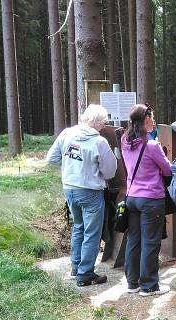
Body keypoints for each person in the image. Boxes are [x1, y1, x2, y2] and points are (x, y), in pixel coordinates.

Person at [47, 104, 118, 286]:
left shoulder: (66, 134)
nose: (104, 127)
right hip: (90, 192)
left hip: (69, 188)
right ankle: (85, 273)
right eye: (104, 123)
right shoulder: (99, 142)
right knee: (91, 233)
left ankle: (76, 266)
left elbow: (52, 158)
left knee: (79, 227)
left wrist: (71, 167)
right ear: (100, 123)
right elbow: (110, 171)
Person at [121, 104, 172, 297]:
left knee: (134, 240)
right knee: (150, 242)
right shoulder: (151, 145)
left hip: (132, 197)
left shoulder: (125, 140)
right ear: (147, 120)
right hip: (151, 198)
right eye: (152, 117)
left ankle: (132, 283)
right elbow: (168, 169)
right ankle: (149, 285)